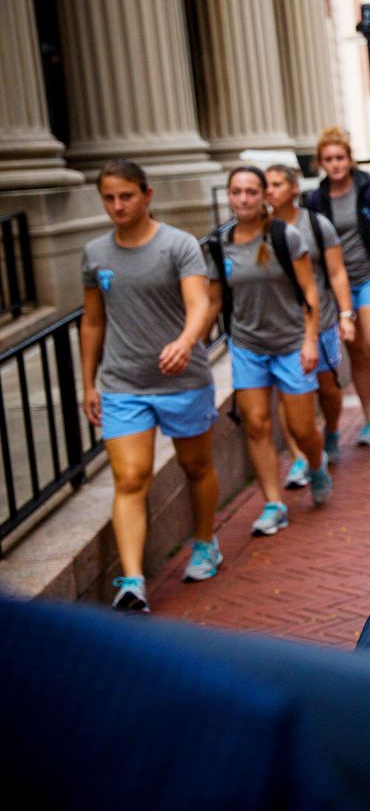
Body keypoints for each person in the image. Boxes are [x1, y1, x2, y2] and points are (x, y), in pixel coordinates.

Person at [80, 159, 222, 613]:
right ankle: (133, 580)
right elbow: (92, 321)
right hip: (122, 384)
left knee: (196, 467)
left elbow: (199, 304)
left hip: (182, 379)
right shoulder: (95, 253)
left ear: (147, 195)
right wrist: (88, 383)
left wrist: (185, 340)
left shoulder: (178, 245)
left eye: (126, 196)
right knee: (130, 477)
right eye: (109, 198)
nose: (118, 206)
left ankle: (205, 542)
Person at [206, 166, 331, 537]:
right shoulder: (217, 244)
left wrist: (310, 341)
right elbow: (213, 300)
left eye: (250, 191)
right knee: (257, 425)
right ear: (229, 196)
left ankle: (316, 461)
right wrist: (191, 341)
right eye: (236, 192)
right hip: (247, 345)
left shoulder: (284, 236)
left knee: (302, 428)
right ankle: (274, 504)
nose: (243, 199)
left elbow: (310, 291)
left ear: (263, 196)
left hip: (291, 343)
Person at [304, 127, 370, 456]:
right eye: (328, 159)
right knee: (357, 354)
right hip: (337, 287)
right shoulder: (315, 200)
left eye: (340, 158)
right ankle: (367, 418)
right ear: (320, 163)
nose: (335, 164)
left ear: (350, 160)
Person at [265, 165, 356, 489]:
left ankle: (330, 432)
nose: (269, 190)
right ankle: (301, 457)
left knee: (328, 388)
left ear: (293, 189)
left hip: (322, 321)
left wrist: (346, 315)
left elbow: (336, 273)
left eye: (276, 184)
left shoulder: (316, 225)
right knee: (289, 398)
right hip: (282, 329)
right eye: (267, 185)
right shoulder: (257, 230)